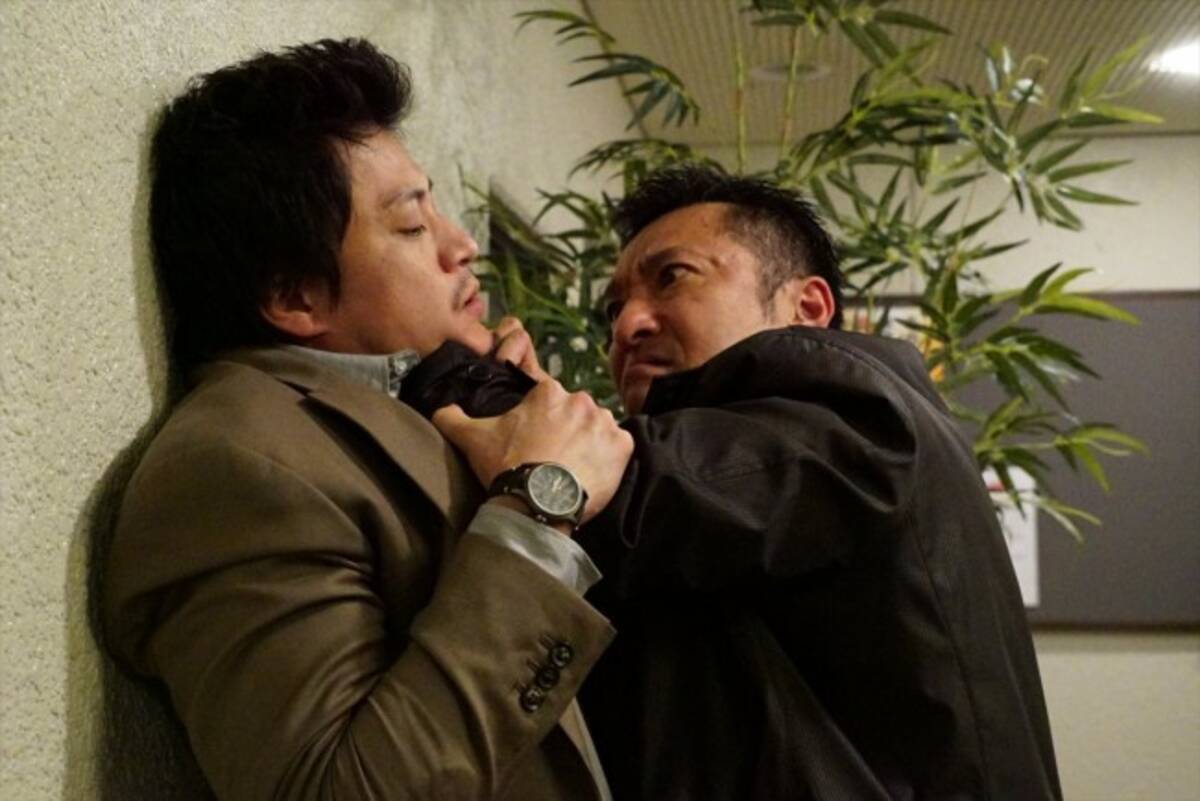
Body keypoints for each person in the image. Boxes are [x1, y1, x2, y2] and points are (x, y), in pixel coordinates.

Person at [101, 38, 632, 801]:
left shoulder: (410, 407)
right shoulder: (237, 465)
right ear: (296, 295)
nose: (462, 246)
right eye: (412, 225)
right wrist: (540, 501)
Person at [435, 165, 1062, 800]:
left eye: (672, 276)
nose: (627, 327)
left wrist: (463, 367)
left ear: (807, 307)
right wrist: (537, 409)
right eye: (615, 309)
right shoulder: (801, 436)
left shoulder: (862, 419)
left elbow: (607, 498)